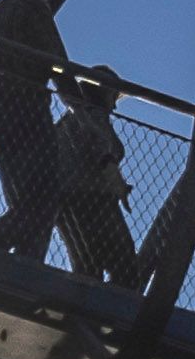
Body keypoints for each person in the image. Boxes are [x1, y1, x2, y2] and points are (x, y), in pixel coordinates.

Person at [0, 0, 69, 256]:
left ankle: (3, 258)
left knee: (23, 199)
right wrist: (80, 108)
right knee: (45, 197)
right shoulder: (33, 8)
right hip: (31, 110)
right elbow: (58, 63)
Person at [49, 63, 146, 283]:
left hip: (64, 201)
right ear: (104, 93)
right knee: (125, 267)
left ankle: (78, 311)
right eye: (113, 96)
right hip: (96, 200)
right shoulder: (93, 118)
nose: (115, 107)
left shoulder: (64, 124)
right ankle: (115, 313)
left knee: (87, 267)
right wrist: (117, 184)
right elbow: (102, 151)